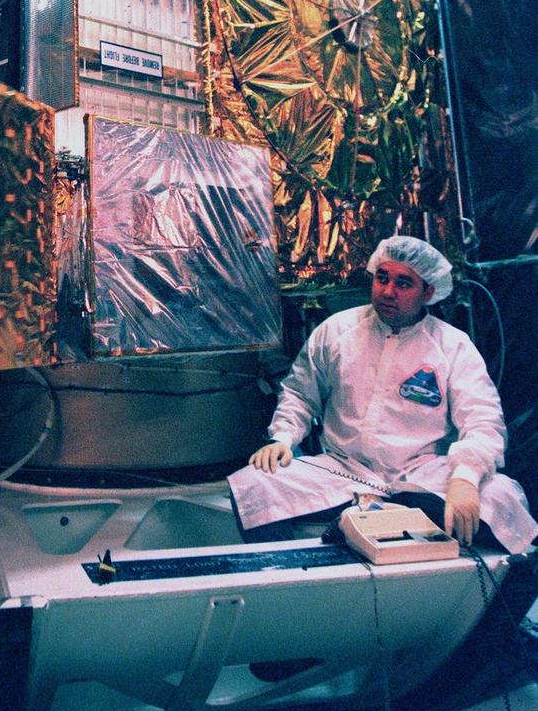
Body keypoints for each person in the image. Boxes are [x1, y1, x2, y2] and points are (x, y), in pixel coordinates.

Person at [228, 236, 537, 554]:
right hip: (342, 470)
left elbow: (483, 422)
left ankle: (371, 519)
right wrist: (282, 438)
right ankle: (296, 576)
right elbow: (300, 395)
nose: (388, 292)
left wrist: (465, 478)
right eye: (382, 278)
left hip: (423, 476)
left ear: (428, 292)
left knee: (502, 496)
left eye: (404, 283)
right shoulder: (337, 332)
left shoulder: (452, 346)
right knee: (254, 483)